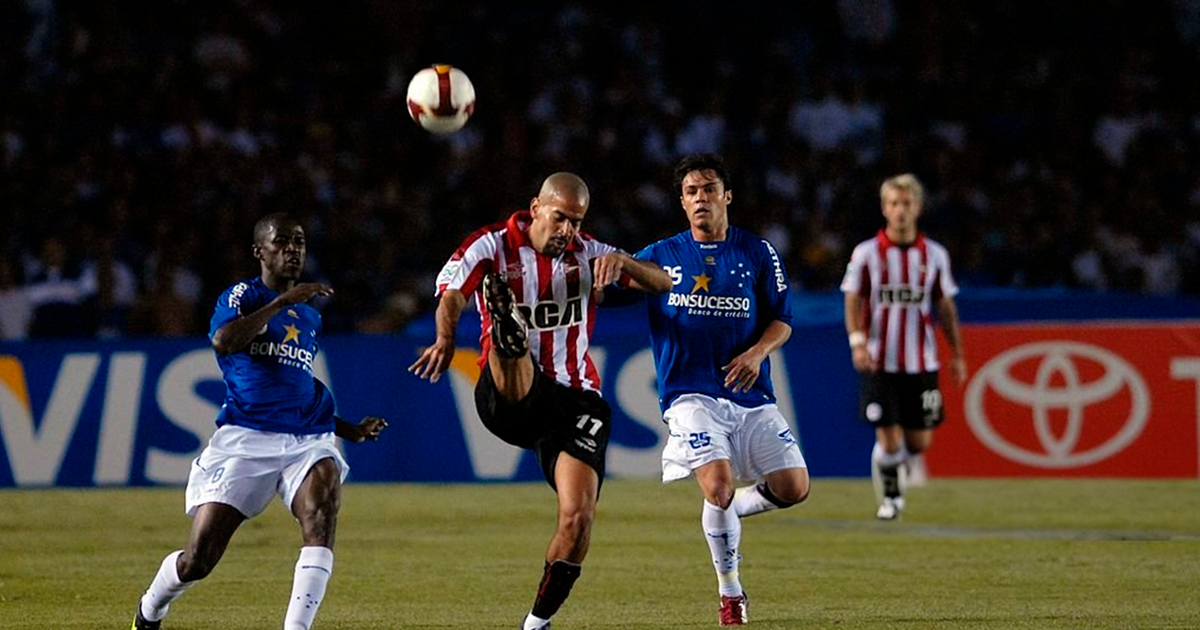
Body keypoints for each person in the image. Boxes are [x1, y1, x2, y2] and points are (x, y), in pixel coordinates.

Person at [408, 172, 671, 630]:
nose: (567, 229)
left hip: (574, 402)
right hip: (509, 395)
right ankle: (508, 334)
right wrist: (446, 339)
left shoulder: (589, 252)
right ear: (535, 208)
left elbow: (663, 283)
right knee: (511, 347)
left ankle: (535, 623)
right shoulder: (490, 246)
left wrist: (625, 262)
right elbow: (451, 296)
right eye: (560, 217)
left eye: (576, 221)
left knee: (577, 517)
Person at [132, 213, 388, 630]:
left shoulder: (310, 317)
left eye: (299, 241)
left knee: (322, 511)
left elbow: (295, 386)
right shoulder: (243, 295)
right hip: (246, 439)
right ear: (259, 251)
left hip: (306, 441)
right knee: (198, 560)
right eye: (282, 242)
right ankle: (150, 609)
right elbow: (223, 341)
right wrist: (282, 303)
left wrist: (347, 428)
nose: (293, 249)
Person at [630, 153, 810, 626]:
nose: (700, 198)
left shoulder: (757, 252)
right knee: (718, 486)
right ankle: (730, 593)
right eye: (691, 192)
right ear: (682, 203)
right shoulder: (659, 256)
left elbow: (783, 319)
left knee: (794, 488)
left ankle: (728, 510)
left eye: (709, 189)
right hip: (690, 395)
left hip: (749, 393)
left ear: (726, 196)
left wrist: (757, 353)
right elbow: (609, 288)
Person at [840, 173, 967, 520]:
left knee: (918, 443)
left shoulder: (935, 255)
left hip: (921, 361)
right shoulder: (867, 253)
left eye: (907, 204)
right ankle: (891, 498)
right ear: (884, 208)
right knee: (889, 438)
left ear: (918, 208)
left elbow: (945, 306)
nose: (900, 210)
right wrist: (857, 343)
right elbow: (852, 300)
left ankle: (892, 467)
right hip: (880, 361)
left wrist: (957, 354)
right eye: (894, 203)